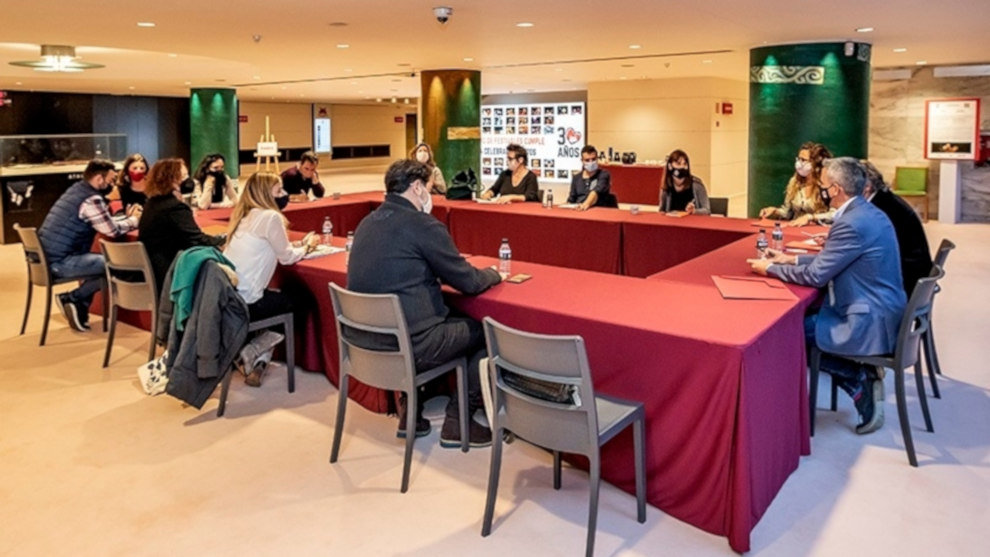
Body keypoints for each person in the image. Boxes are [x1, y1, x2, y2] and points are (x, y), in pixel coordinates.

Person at [348, 159, 504, 447]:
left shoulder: (366, 223)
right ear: (417, 187)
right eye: (430, 187)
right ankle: (459, 421)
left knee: (422, 319)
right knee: (485, 332)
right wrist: (495, 273)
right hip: (409, 346)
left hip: (364, 344)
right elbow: (469, 282)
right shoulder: (423, 225)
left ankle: (411, 413)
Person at [749, 157, 906, 435]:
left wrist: (770, 268)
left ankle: (857, 378)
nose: (821, 190)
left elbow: (816, 277)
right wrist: (789, 260)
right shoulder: (866, 213)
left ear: (835, 190)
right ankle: (859, 377)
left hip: (866, 319)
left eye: (823, 185)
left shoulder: (851, 223)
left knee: (787, 331)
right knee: (802, 324)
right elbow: (832, 260)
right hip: (882, 309)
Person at [223, 172, 319, 386]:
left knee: (281, 299)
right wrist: (309, 245)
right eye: (279, 191)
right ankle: (254, 351)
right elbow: (286, 258)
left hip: (231, 299)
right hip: (249, 302)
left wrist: (295, 247)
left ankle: (260, 360)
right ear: (266, 195)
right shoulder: (270, 217)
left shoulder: (244, 216)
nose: (285, 194)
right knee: (302, 302)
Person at [38, 159, 141, 331]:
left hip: (48, 257)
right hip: (60, 262)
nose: (113, 184)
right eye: (111, 180)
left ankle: (78, 304)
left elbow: (101, 222)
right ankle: (73, 298)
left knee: (103, 265)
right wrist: (134, 220)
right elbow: (112, 231)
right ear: (100, 179)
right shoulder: (91, 199)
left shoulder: (76, 190)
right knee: (117, 265)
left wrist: (125, 219)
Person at [139, 158, 226, 292]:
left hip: (153, 268)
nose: (188, 180)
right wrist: (223, 239)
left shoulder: (151, 203)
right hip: (170, 273)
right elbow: (197, 239)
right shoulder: (175, 207)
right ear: (172, 180)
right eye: (184, 176)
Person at [862, 161, 933, 297]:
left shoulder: (879, 208)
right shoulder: (885, 199)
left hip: (904, 280)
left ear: (867, 187)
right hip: (914, 271)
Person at [759, 142, 836, 226]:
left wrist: (811, 217)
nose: (799, 163)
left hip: (817, 231)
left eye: (803, 160)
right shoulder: (794, 182)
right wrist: (774, 211)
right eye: (798, 159)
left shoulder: (826, 184)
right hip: (795, 229)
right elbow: (788, 213)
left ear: (815, 163)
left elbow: (834, 215)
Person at [660, 149, 710, 214]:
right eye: (678, 164)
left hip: (692, 222)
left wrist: (694, 211)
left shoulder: (696, 184)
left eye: (685, 164)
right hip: (672, 222)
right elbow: (662, 211)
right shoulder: (667, 186)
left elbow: (707, 211)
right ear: (670, 166)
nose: (682, 167)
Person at [567, 145, 613, 210]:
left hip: (598, 211)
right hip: (578, 212)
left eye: (593, 159)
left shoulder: (603, 175)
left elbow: (595, 192)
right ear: (582, 161)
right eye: (587, 160)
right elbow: (571, 201)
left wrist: (585, 205)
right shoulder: (576, 178)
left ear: (597, 159)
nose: (591, 162)